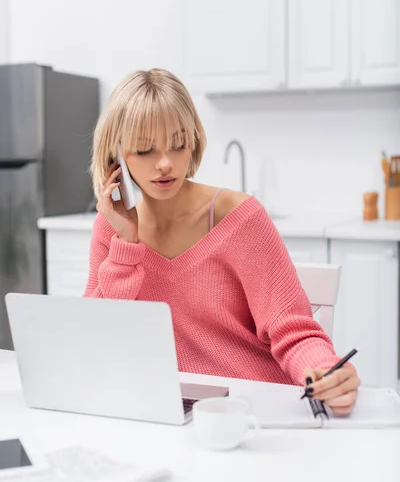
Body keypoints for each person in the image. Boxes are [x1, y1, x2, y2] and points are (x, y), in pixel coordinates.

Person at [84, 68, 360, 416]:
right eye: (144, 150)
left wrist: (326, 371)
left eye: (179, 144)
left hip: (252, 410)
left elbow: (293, 329)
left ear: (194, 141)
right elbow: (94, 339)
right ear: (117, 156)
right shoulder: (111, 229)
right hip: (165, 410)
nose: (166, 163)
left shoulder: (240, 217)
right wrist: (126, 245)